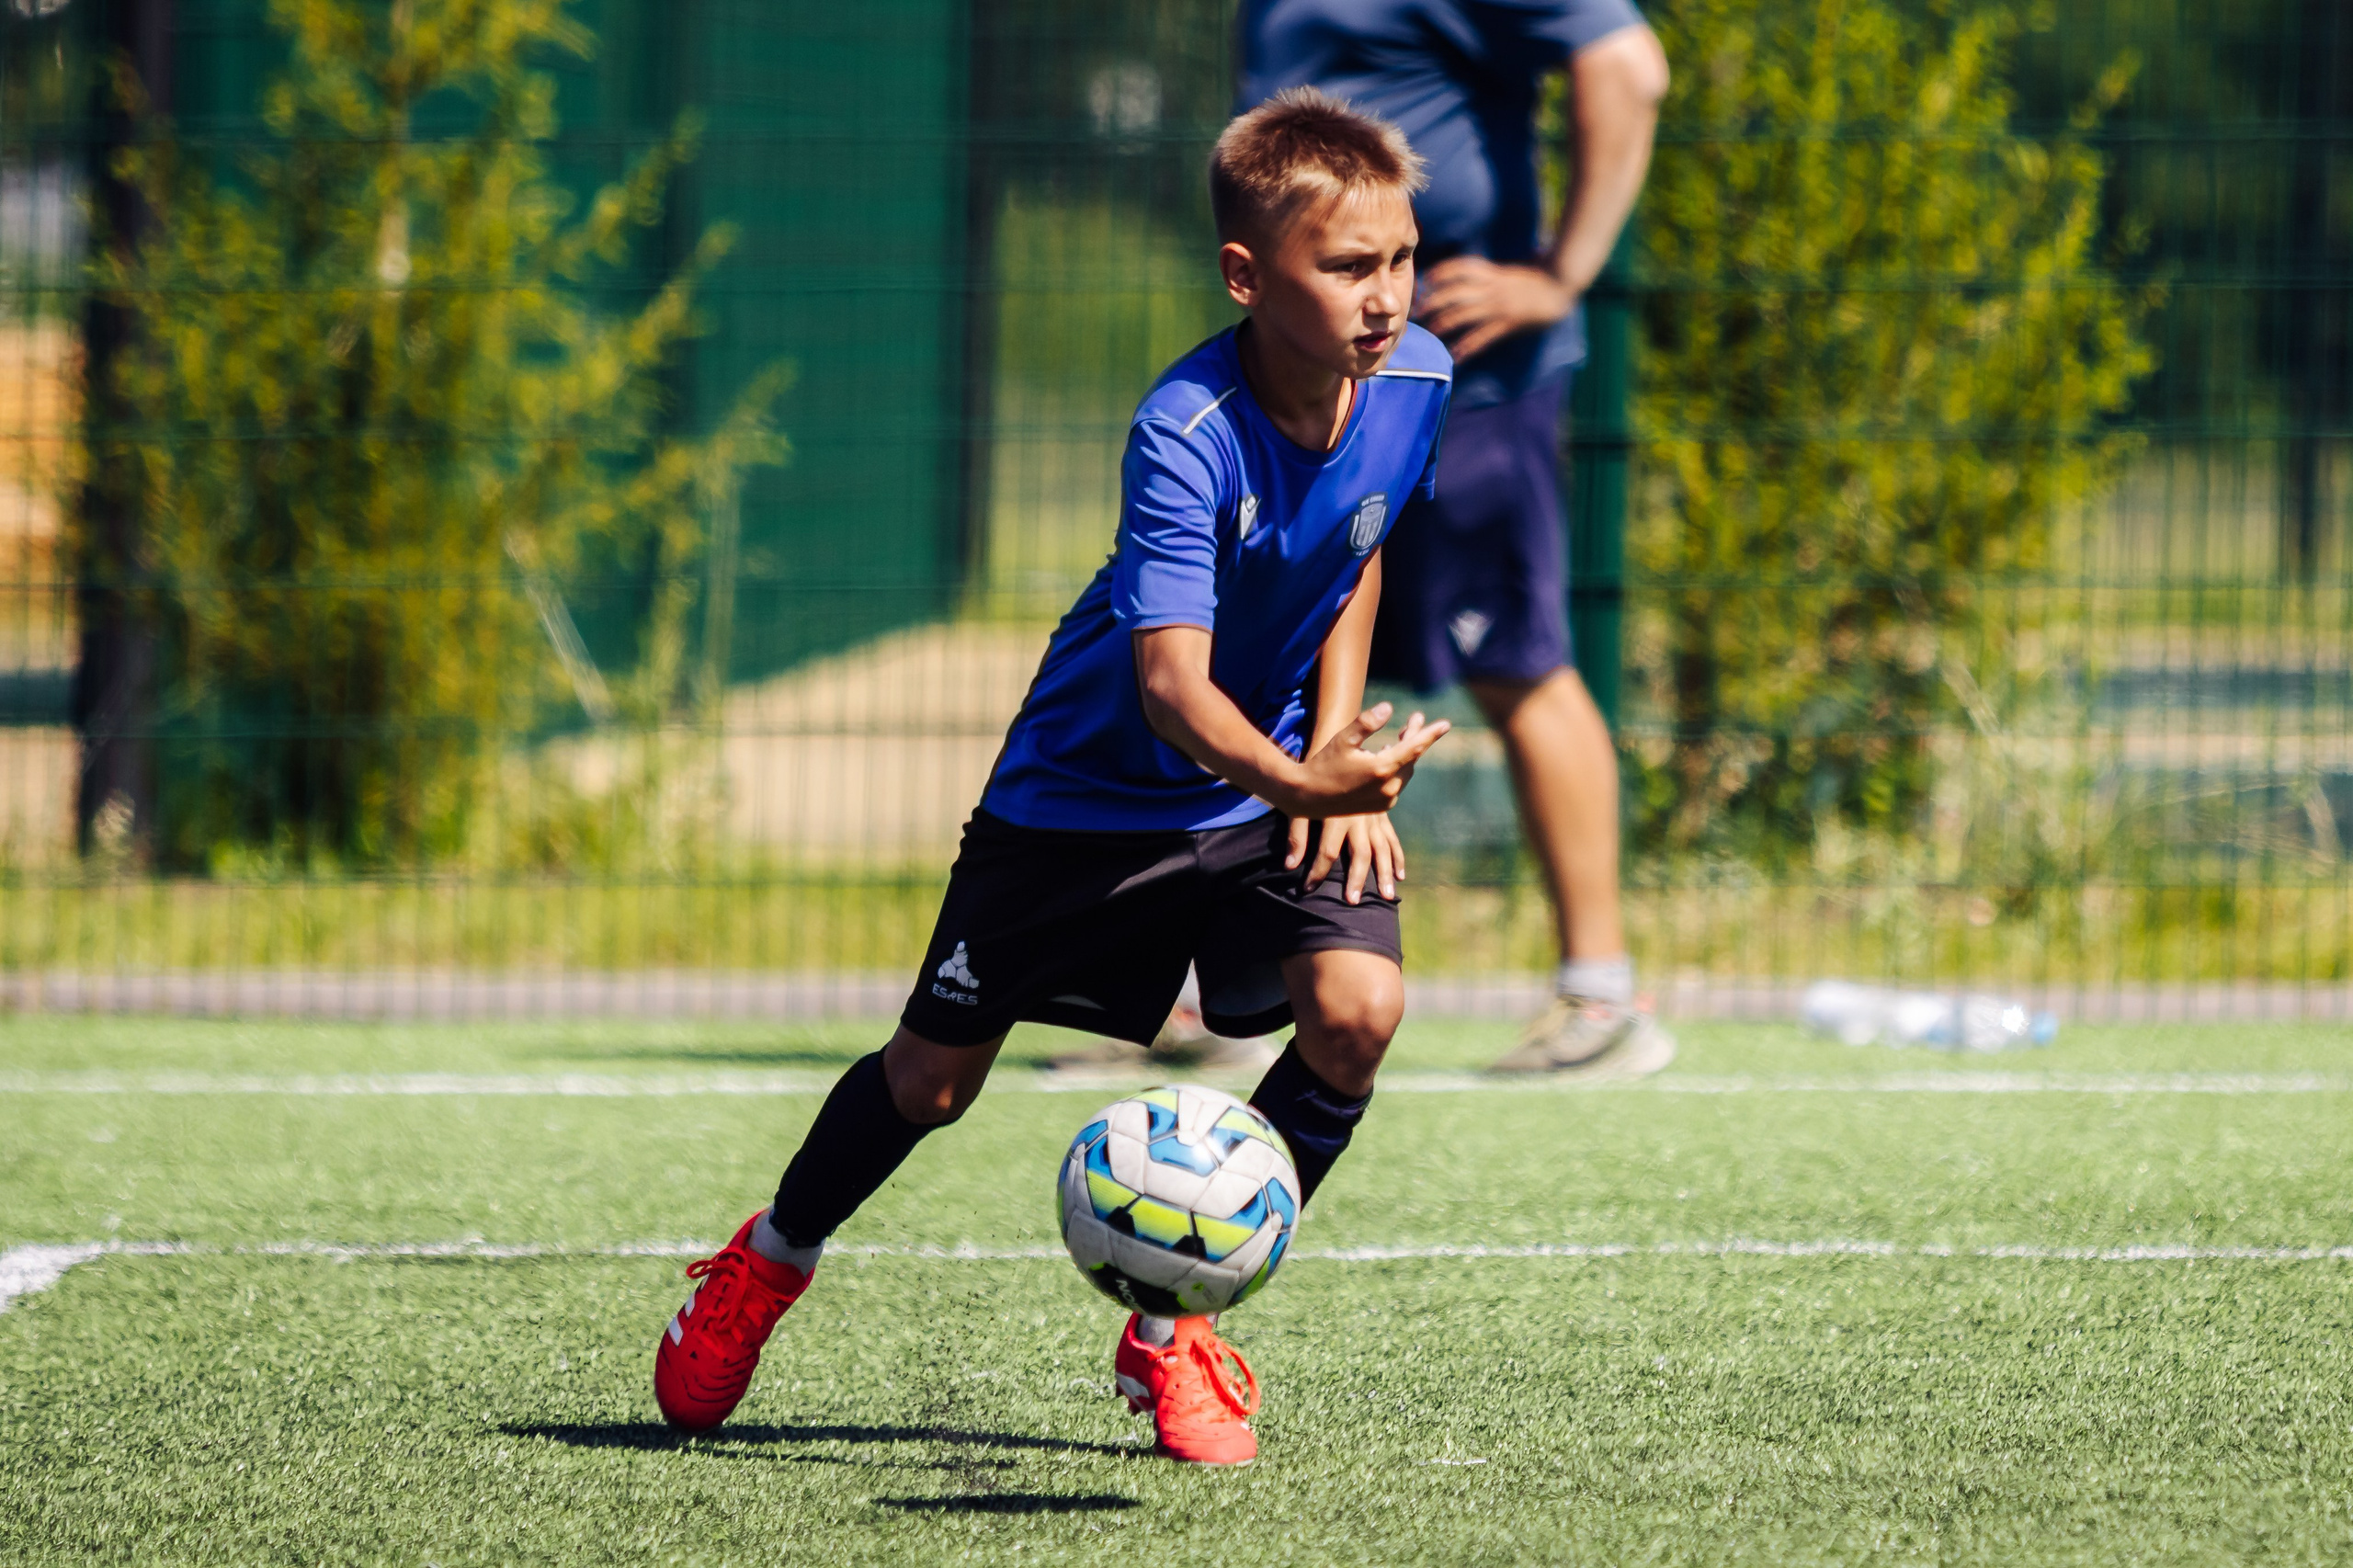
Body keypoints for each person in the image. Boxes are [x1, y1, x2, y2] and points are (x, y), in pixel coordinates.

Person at [651, 89, 1454, 1469]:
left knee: (1357, 1013)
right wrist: (1311, 788)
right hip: (1081, 806)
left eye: (1400, 260)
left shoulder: (1419, 382)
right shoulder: (1184, 430)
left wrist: (1322, 755)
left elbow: (1358, 548)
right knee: (931, 1082)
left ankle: (1175, 1327)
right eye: (1347, 267)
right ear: (1247, 277)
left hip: (1262, 788)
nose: (1386, 298)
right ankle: (766, 1261)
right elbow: (1170, 687)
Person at [1241, 0, 1674, 1076]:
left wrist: (1560, 275)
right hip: (1313, 381)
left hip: (1459, 377)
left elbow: (1629, 68)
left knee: (1516, 663)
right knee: (1267, 648)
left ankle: (1599, 993)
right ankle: (1231, 995)